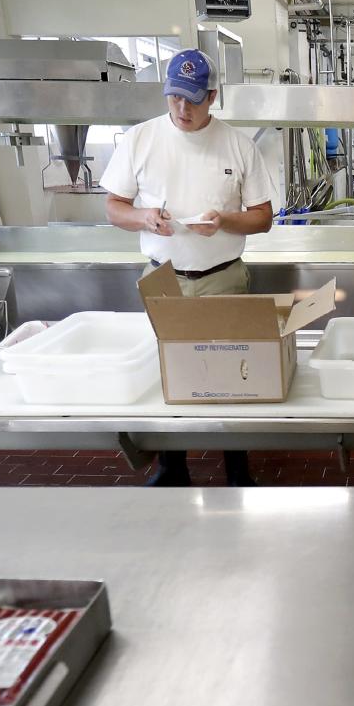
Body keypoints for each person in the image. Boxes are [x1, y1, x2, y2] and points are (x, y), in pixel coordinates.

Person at [100, 48, 274, 487]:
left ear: (213, 96)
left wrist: (225, 220)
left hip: (223, 277)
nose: (183, 108)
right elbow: (114, 208)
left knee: (231, 375)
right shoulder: (140, 139)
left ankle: (237, 470)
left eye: (193, 99)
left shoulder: (238, 144)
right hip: (163, 278)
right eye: (175, 97)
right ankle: (171, 467)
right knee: (167, 374)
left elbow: (263, 217)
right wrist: (144, 217)